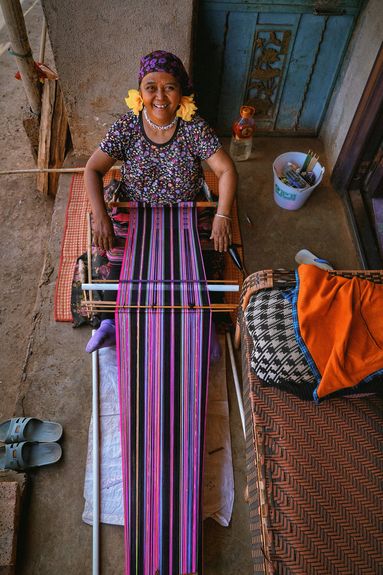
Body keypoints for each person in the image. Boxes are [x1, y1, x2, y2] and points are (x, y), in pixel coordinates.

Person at [85, 50, 237, 353]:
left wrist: (222, 217)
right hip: (135, 208)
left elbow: (227, 170)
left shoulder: (194, 128)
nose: (160, 96)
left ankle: (202, 325)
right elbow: (92, 168)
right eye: (151, 86)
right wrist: (100, 215)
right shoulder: (127, 126)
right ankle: (109, 323)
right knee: (114, 256)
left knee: (203, 261)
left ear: (181, 92)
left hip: (185, 210)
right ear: (140, 91)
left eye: (169, 87)